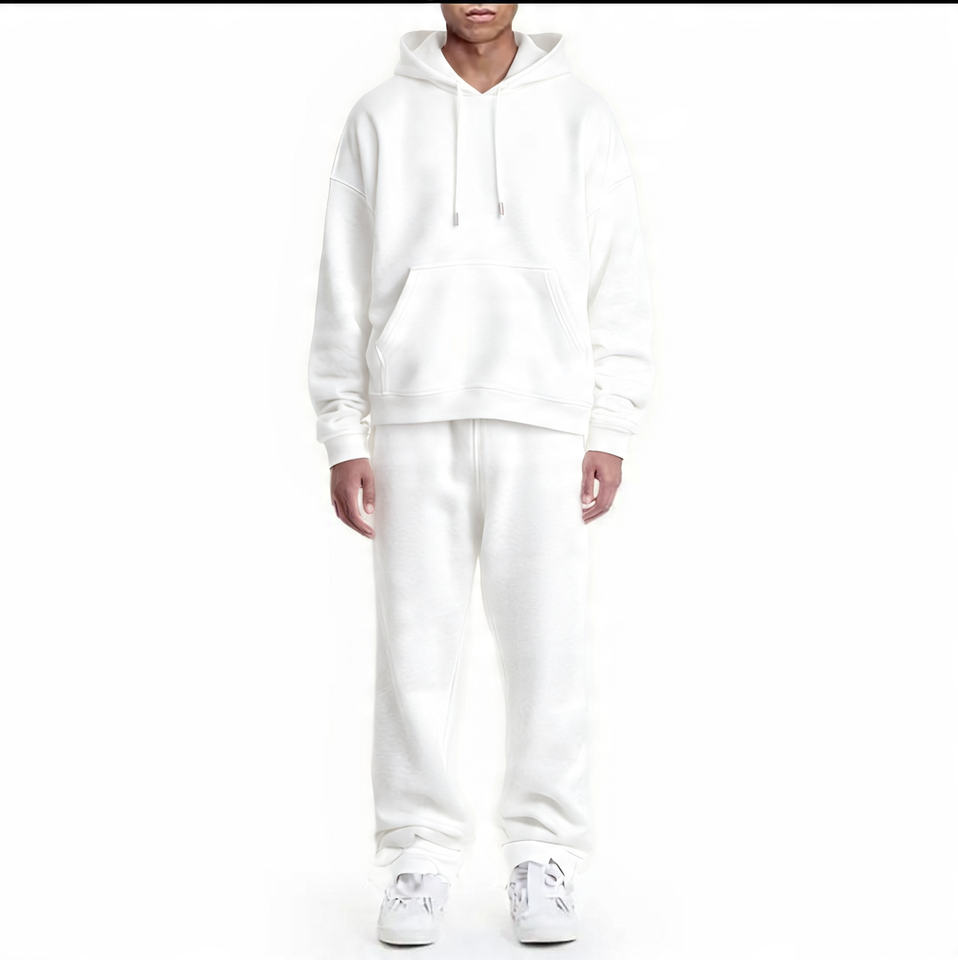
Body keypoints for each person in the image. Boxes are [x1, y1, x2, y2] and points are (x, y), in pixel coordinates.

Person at [307, 2, 654, 946]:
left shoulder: (580, 114)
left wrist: (612, 421)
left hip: (545, 415)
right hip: (412, 416)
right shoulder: (381, 115)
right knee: (414, 652)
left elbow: (618, 275)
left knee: (550, 652)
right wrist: (343, 429)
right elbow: (342, 278)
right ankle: (417, 856)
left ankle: (544, 853)